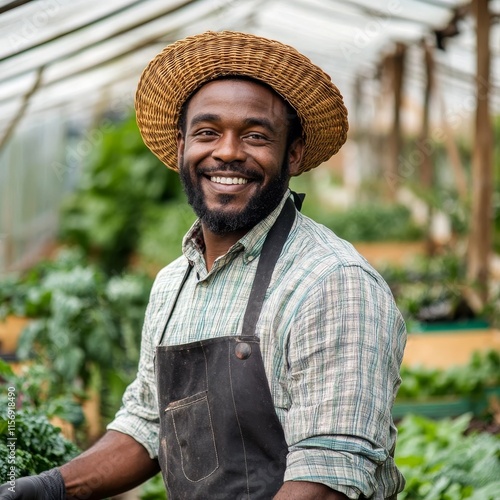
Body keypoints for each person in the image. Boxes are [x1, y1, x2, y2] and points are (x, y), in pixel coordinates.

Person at [1, 31, 407, 500]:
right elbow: (149, 422)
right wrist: (48, 487)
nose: (228, 152)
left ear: (292, 154)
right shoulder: (174, 283)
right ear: (181, 147)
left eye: (255, 136)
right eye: (207, 132)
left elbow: (327, 477)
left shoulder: (331, 284)